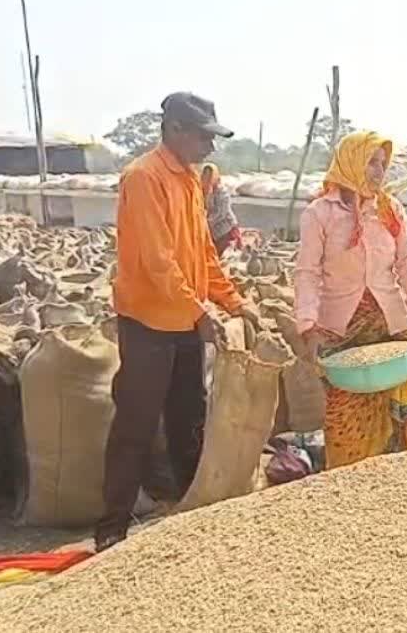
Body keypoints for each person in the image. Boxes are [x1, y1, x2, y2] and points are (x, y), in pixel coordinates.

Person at [97, 92, 261, 551]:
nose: (211, 147)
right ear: (174, 131)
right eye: (204, 137)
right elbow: (157, 260)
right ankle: (111, 529)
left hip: (185, 324)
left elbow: (202, 254)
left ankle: (192, 519)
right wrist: (198, 312)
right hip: (149, 323)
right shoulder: (144, 178)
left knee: (190, 419)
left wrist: (233, 301)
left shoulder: (191, 180)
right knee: (136, 423)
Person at [293, 131, 407, 470]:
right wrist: (308, 326)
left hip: (391, 323)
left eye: (383, 164)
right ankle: (351, 487)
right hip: (341, 330)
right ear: (350, 162)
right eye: (371, 162)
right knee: (348, 420)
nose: (378, 171)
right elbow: (307, 273)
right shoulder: (320, 214)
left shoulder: (391, 211)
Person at [199, 163, 243, 256]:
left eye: (210, 175)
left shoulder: (222, 192)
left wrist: (205, 223)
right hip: (209, 229)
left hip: (225, 229)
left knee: (222, 257)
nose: (207, 178)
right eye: (205, 175)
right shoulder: (201, 191)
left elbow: (221, 213)